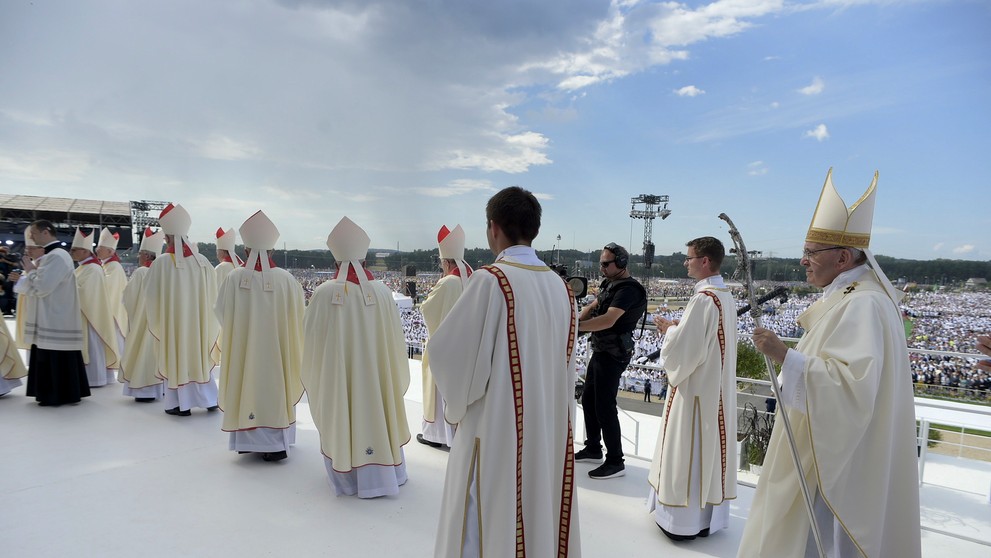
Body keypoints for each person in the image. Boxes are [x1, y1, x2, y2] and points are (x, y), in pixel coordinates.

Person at [738, 169, 921, 558]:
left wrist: (785, 356)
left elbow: (853, 387)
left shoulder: (865, 302)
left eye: (811, 252)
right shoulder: (853, 294)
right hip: (821, 440)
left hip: (836, 459)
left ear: (842, 256)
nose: (803, 261)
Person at [428, 186, 581, 557]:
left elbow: (448, 355)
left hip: (496, 430)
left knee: (487, 522)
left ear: (493, 228)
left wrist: (456, 407)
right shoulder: (562, 288)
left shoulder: (492, 280)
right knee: (538, 512)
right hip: (547, 429)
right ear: (535, 229)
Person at [301, 216, 410, 498]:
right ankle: (385, 474)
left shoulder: (324, 294)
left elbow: (310, 342)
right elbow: (396, 344)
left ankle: (348, 480)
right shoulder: (385, 292)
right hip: (377, 380)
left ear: (336, 262)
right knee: (379, 412)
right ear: (364, 260)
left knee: (342, 413)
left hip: (341, 380)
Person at [647, 236, 738, 541]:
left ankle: (681, 522)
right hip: (716, 390)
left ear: (705, 261)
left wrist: (669, 330)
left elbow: (686, 352)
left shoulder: (703, 299)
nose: (685, 263)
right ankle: (703, 520)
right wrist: (680, 328)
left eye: (689, 258)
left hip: (696, 392)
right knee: (707, 449)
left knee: (689, 449)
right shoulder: (724, 295)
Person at [215, 211, 304, 462]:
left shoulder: (234, 278)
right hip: (278, 352)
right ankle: (276, 442)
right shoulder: (287, 280)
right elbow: (298, 318)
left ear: (245, 251)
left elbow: (221, 312)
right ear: (272, 251)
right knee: (275, 389)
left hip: (245, 352)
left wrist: (242, 333)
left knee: (247, 387)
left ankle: (249, 440)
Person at [575, 242, 647, 479]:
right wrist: (574, 323)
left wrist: (574, 326)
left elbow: (608, 320)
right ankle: (594, 447)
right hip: (601, 349)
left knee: (604, 405)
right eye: (601, 263)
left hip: (614, 353)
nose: (602, 267)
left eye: (606, 263)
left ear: (622, 264)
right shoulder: (610, 283)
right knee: (588, 399)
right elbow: (594, 307)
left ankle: (615, 460)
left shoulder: (629, 290)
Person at [145, 203, 220, 417]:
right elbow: (212, 295)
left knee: (177, 356)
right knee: (197, 358)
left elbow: (150, 296)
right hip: (197, 324)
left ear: (167, 238)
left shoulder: (161, 263)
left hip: (174, 325)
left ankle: (179, 403)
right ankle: (208, 398)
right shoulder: (203, 262)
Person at [19, 220, 89, 406]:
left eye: (33, 233)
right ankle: (60, 392)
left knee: (55, 355)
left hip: (55, 316)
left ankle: (57, 394)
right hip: (53, 314)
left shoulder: (56, 256)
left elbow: (43, 287)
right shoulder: (55, 255)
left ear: (46, 232)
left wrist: (30, 271)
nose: (31, 237)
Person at [417, 224, 471, 449]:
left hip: (445, 349)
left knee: (439, 396)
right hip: (465, 349)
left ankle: (437, 436)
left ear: (447, 263)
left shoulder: (448, 282)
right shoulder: (472, 278)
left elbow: (428, 309)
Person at [69, 227, 120, 387]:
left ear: (85, 252)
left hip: (91, 317)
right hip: (85, 315)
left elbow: (86, 294)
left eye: (75, 249)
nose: (72, 252)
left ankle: (95, 379)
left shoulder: (94, 269)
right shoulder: (83, 268)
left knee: (92, 347)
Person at [120, 227, 165, 402]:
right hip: (158, 322)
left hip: (143, 322)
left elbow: (130, 298)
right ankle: (159, 389)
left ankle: (144, 391)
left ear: (146, 256)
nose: (138, 258)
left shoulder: (141, 272)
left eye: (140, 254)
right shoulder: (162, 271)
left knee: (143, 353)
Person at [96, 227, 128, 367]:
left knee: (115, 337)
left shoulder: (114, 266)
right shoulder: (106, 265)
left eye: (101, 247)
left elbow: (108, 287)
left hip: (113, 311)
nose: (97, 250)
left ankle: (118, 362)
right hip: (108, 309)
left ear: (110, 251)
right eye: (97, 247)